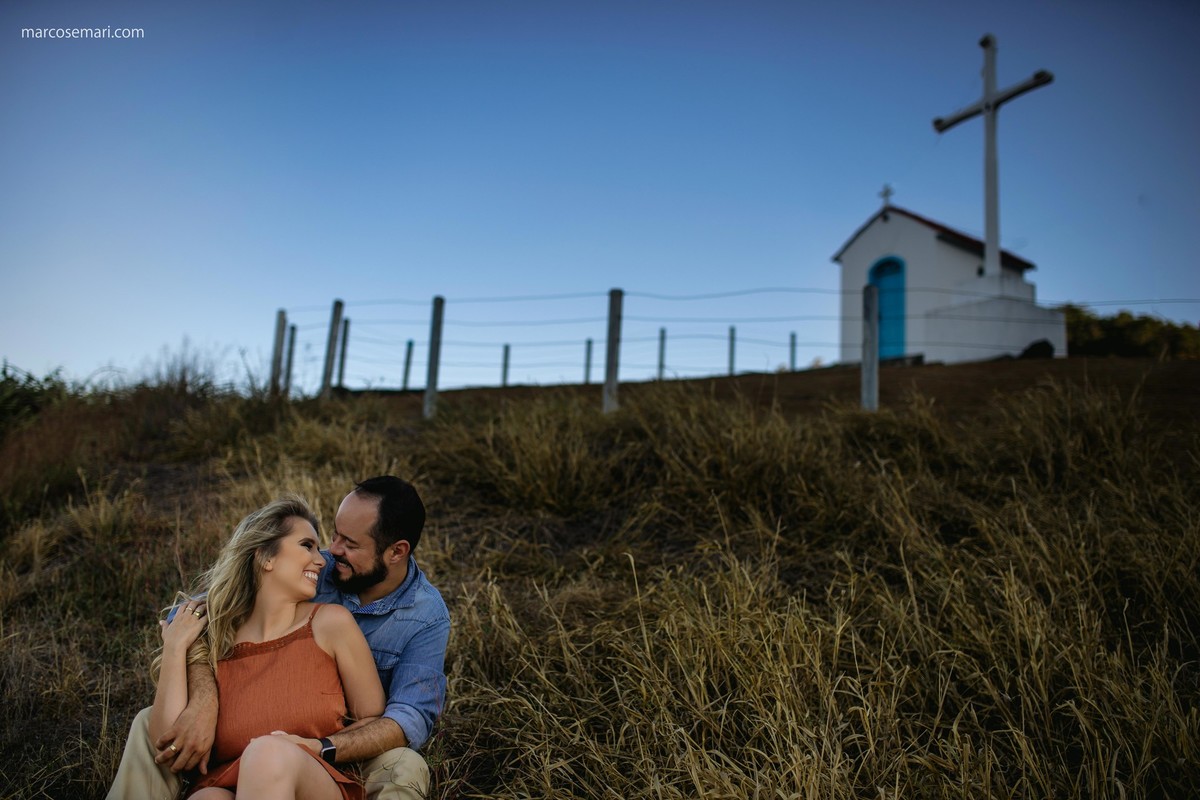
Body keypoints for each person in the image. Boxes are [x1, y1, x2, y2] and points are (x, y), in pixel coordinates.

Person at [108, 476, 451, 800]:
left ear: (396, 551)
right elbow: (185, 614)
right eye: (333, 535)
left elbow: (408, 717)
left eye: (350, 543)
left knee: (404, 765)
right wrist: (204, 699)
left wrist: (320, 747)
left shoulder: (425, 616)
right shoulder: (320, 567)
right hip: (253, 727)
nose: (330, 552)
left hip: (348, 745)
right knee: (150, 724)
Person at [148, 495, 384, 799]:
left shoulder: (330, 624)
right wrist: (176, 646)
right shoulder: (215, 637)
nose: (322, 559)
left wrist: (321, 747)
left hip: (314, 782)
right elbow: (166, 744)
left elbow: (373, 718)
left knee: (267, 753)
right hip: (227, 783)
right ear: (265, 556)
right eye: (306, 545)